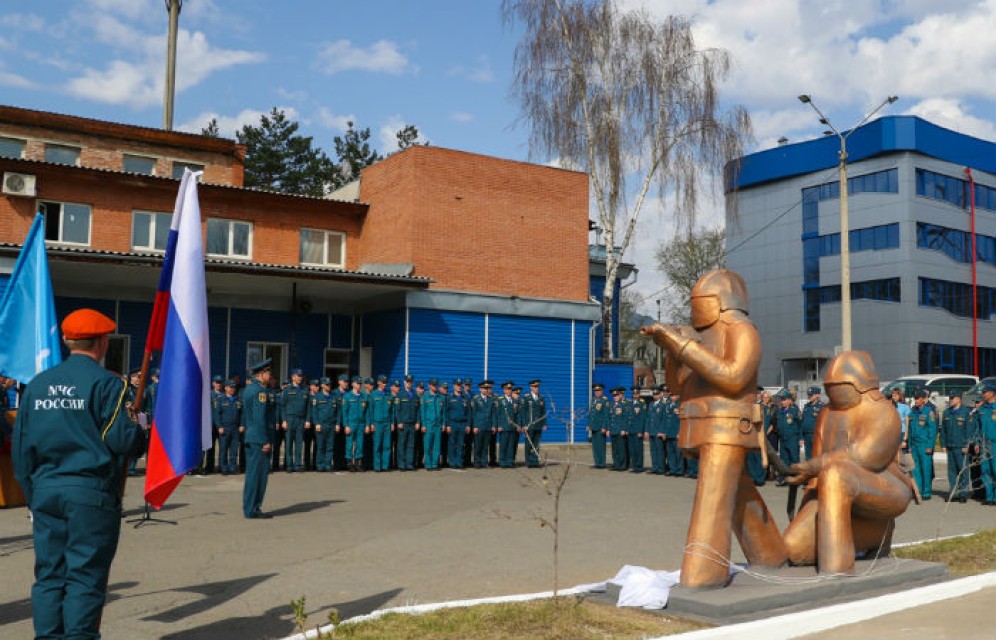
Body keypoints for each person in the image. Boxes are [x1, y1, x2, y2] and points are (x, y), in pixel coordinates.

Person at [642, 269, 787, 588]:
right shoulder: (699, 337)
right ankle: (770, 552)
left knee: (714, 497)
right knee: (739, 495)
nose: (695, 308)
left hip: (727, 428)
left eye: (701, 301)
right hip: (701, 425)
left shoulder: (742, 329)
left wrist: (681, 346)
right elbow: (679, 387)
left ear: (721, 301)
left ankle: (703, 574)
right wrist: (671, 348)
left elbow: (733, 377)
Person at [13, 308, 149, 639]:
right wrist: (141, 425)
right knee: (85, 576)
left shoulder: (37, 385)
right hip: (90, 492)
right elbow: (124, 440)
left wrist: (34, 496)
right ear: (102, 343)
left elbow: (22, 450)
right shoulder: (107, 384)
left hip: (46, 490)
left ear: (66, 340)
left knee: (49, 574)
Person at [782, 351, 914, 574]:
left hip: (885, 484)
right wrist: (807, 484)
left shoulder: (882, 411)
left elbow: (865, 457)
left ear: (859, 385)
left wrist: (814, 466)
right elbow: (816, 473)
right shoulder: (826, 413)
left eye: (839, 386)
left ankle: (838, 567)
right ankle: (872, 533)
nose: (833, 392)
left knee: (836, 474)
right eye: (829, 387)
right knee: (792, 547)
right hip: (831, 486)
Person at [242, 358, 276, 518]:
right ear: (261, 374)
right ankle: (253, 508)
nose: (270, 375)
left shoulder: (249, 389)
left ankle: (251, 507)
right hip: (259, 439)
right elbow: (260, 418)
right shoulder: (260, 392)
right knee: (258, 476)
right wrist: (265, 441)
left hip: (252, 437)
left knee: (253, 474)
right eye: (268, 373)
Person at [940, 391, 971, 503]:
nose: (951, 400)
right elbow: (943, 430)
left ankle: (963, 493)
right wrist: (943, 444)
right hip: (950, 446)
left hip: (961, 446)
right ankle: (954, 493)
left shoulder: (966, 412)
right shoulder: (946, 413)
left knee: (963, 471)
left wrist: (967, 445)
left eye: (953, 398)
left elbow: (969, 430)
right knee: (952, 472)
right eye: (950, 398)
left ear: (959, 399)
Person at [906, 388, 938, 500]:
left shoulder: (929, 412)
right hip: (914, 445)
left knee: (926, 468)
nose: (916, 400)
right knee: (916, 469)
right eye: (915, 398)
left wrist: (930, 446)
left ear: (923, 399)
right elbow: (909, 430)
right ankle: (918, 491)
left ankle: (926, 492)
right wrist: (909, 445)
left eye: (918, 398)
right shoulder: (913, 411)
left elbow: (932, 431)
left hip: (924, 444)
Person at [970, 382, 996, 505]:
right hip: (984, 444)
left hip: (995, 444)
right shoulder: (981, 409)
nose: (983, 395)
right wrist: (976, 443)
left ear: (992, 393)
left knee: (995, 470)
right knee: (985, 471)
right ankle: (989, 497)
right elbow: (977, 428)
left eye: (985, 393)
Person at [280, 369, 309, 473]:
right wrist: (283, 420)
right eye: (298, 376)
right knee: (288, 443)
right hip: (290, 418)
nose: (300, 378)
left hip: (301, 419)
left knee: (299, 443)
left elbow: (308, 407)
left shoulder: (305, 389)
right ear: (293, 377)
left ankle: (297, 464)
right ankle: (289, 465)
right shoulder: (287, 390)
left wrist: (307, 420)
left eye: (301, 376)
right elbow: (282, 406)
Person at [214, 380, 242, 475]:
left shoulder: (238, 399)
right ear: (225, 388)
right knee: (224, 449)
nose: (232, 389)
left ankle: (233, 467)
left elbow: (242, 414)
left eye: (234, 387)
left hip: (235, 428)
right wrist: (219, 426)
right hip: (225, 428)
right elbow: (217, 415)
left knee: (234, 449)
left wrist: (242, 425)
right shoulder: (221, 399)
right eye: (230, 387)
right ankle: (224, 468)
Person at [775, 391, 802, 485]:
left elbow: (800, 425)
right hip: (782, 439)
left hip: (792, 438)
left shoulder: (794, 411)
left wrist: (801, 438)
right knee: (784, 459)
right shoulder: (779, 411)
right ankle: (785, 479)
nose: (782, 402)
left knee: (794, 459)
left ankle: (797, 478)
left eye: (784, 400)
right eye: (781, 400)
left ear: (790, 400)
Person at [309, 378, 336, 472]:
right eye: (327, 384)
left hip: (331, 424)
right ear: (322, 385)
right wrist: (316, 423)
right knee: (321, 446)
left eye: (330, 384)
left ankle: (327, 464)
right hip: (321, 424)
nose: (329, 386)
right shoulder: (317, 397)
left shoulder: (333, 397)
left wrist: (336, 423)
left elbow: (337, 411)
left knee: (330, 446)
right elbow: (314, 411)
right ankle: (320, 465)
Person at [342, 376, 368, 472]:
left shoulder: (364, 396)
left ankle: (358, 463)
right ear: (353, 384)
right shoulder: (347, 396)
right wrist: (346, 425)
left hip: (361, 423)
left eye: (360, 383)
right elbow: (344, 412)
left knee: (359, 444)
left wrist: (367, 424)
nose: (359, 385)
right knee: (349, 444)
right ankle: (349, 463)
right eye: (357, 383)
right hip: (351, 423)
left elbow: (366, 412)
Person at [394, 375, 419, 471]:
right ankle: (401, 465)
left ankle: (409, 464)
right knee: (402, 444)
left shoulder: (415, 395)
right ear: (404, 382)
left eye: (411, 382)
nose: (409, 383)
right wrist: (399, 421)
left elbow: (418, 410)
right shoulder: (400, 395)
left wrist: (418, 422)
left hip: (412, 424)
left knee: (411, 445)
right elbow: (397, 410)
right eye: (407, 381)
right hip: (403, 424)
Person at [369, 375, 394, 472]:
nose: (384, 384)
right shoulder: (373, 395)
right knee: (377, 445)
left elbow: (392, 411)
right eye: (383, 382)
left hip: (387, 423)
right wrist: (371, 423)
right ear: (378, 382)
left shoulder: (388, 395)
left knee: (387, 445)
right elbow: (370, 411)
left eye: (385, 382)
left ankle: (385, 466)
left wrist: (391, 423)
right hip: (377, 423)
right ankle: (377, 466)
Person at [521, 379, 548, 467]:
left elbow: (543, 412)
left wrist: (544, 424)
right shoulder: (526, 397)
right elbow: (523, 412)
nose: (536, 389)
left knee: (536, 444)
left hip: (538, 425)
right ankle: (529, 461)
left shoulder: (541, 398)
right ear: (531, 387)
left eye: (537, 387)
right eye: (535, 387)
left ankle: (535, 461)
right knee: (529, 443)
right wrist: (524, 424)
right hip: (529, 425)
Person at [420, 379, 445, 470]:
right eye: (433, 385)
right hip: (428, 424)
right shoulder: (425, 397)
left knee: (436, 446)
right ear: (429, 385)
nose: (435, 386)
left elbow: (443, 413)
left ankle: (435, 464)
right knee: (428, 445)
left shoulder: (440, 397)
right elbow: (422, 412)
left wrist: (443, 423)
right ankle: (428, 464)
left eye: (436, 385)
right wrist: (423, 425)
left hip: (438, 425)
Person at [470, 380, 495, 468]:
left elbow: (493, 414)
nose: (485, 390)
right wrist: (475, 426)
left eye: (487, 388)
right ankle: (477, 462)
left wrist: (493, 425)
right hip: (479, 426)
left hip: (488, 426)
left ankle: (484, 462)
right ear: (480, 389)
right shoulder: (476, 399)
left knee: (485, 446)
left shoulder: (490, 399)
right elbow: (473, 414)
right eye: (483, 388)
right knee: (478, 445)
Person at [446, 379, 470, 468]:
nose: (459, 387)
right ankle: (452, 462)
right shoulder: (449, 398)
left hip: (462, 424)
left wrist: (468, 424)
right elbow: (446, 412)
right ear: (454, 386)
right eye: (457, 385)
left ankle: (459, 461)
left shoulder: (465, 398)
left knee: (460, 444)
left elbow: (468, 413)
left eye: (460, 385)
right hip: (453, 423)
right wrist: (448, 424)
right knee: (452, 443)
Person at [495, 381, 518, 468]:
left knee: (510, 445)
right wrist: (499, 425)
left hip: (512, 427)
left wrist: (517, 425)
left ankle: (509, 461)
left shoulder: (514, 401)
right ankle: (502, 461)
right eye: (507, 389)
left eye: (510, 389)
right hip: (503, 426)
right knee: (503, 445)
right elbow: (497, 414)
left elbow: (517, 414)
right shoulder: (500, 400)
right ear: (504, 390)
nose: (509, 391)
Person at [607, 387, 628, 471]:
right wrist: (608, 429)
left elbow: (625, 418)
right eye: (614, 396)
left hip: (620, 430)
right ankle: (616, 464)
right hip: (613, 430)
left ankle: (622, 465)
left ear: (620, 396)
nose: (615, 397)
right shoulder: (611, 406)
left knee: (621, 449)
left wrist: (624, 429)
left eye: (616, 395)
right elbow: (609, 418)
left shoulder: (623, 406)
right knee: (614, 449)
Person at [800, 386, 824, 461]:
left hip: (816, 435)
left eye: (811, 395)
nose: (809, 396)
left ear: (818, 395)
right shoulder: (806, 406)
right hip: (806, 436)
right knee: (808, 457)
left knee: (817, 456)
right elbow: (802, 422)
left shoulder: (822, 406)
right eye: (809, 395)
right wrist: (801, 437)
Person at [589, 383, 609, 468]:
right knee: (595, 446)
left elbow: (606, 415)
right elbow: (591, 414)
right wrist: (589, 424)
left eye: (598, 391)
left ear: (602, 391)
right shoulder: (593, 400)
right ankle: (597, 462)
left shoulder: (605, 401)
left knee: (601, 445)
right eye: (595, 391)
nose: (596, 393)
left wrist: (604, 427)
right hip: (594, 426)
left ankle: (602, 462)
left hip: (601, 427)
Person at [647, 386, 667, 474]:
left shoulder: (663, 405)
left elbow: (664, 420)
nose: (655, 396)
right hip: (652, 431)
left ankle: (661, 468)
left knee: (660, 451)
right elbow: (648, 419)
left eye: (657, 394)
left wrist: (662, 431)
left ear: (660, 394)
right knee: (653, 451)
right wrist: (647, 431)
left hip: (658, 432)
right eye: (654, 394)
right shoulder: (651, 404)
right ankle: (654, 467)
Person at [628, 385, 647, 473]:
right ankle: (634, 466)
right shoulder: (630, 403)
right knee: (632, 449)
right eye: (634, 394)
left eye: (637, 394)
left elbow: (642, 419)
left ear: (639, 394)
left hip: (637, 430)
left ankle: (639, 467)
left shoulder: (642, 404)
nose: (635, 395)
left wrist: (641, 431)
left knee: (638, 449)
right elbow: (628, 418)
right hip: (631, 430)